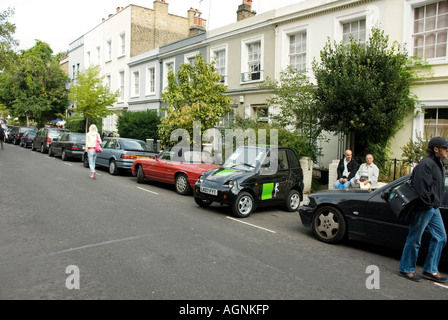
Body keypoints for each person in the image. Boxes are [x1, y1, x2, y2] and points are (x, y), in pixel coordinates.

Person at [398, 136, 448, 283]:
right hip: (425, 208)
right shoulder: (426, 164)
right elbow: (421, 188)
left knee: (441, 237)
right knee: (415, 238)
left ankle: (430, 269)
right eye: (445, 148)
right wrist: (429, 204)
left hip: (434, 208)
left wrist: (434, 205)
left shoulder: (439, 162)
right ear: (436, 149)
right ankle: (406, 269)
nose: (447, 150)